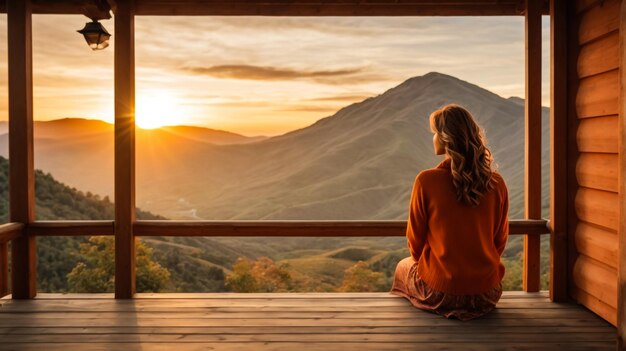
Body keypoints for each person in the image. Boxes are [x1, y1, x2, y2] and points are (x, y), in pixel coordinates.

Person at [390, 104, 509, 321]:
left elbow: (414, 242)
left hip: (442, 293)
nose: (433, 138)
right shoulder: (497, 183)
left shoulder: (426, 181)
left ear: (445, 138)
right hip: (487, 293)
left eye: (434, 133)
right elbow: (499, 240)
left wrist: (436, 269)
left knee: (402, 266)